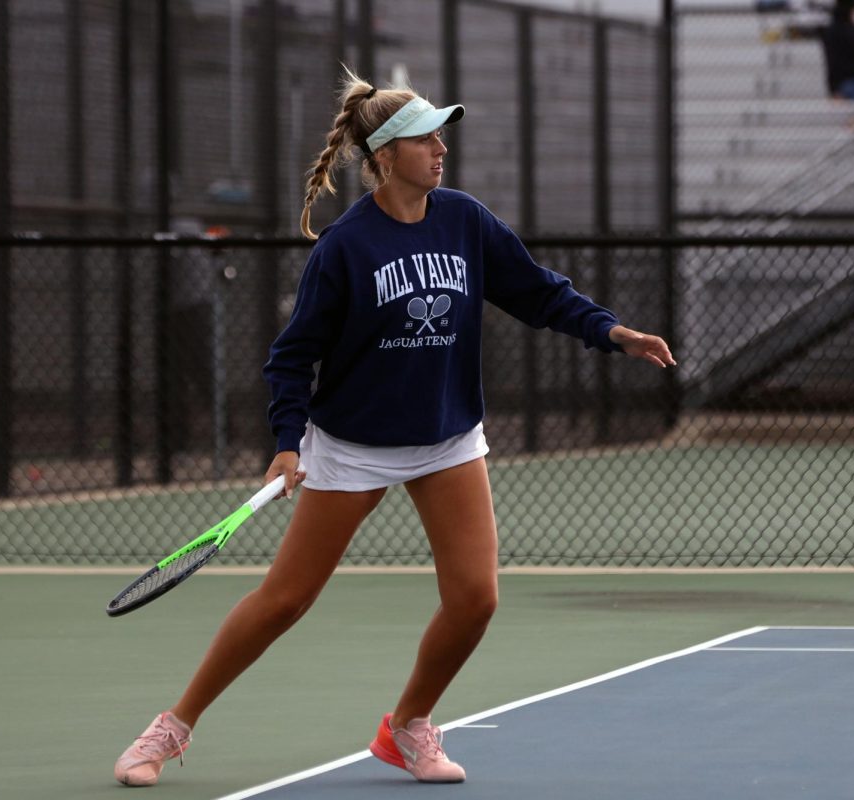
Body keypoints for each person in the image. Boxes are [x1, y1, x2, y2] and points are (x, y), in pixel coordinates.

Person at [112, 68, 676, 788]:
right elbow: (291, 359)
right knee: (285, 600)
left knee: (476, 599)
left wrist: (612, 332)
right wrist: (288, 445)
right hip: (352, 447)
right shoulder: (345, 248)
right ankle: (171, 728)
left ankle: (408, 726)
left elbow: (536, 292)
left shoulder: (464, 220)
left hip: (445, 439)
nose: (440, 149)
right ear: (386, 155)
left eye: (441, 136)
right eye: (424, 139)